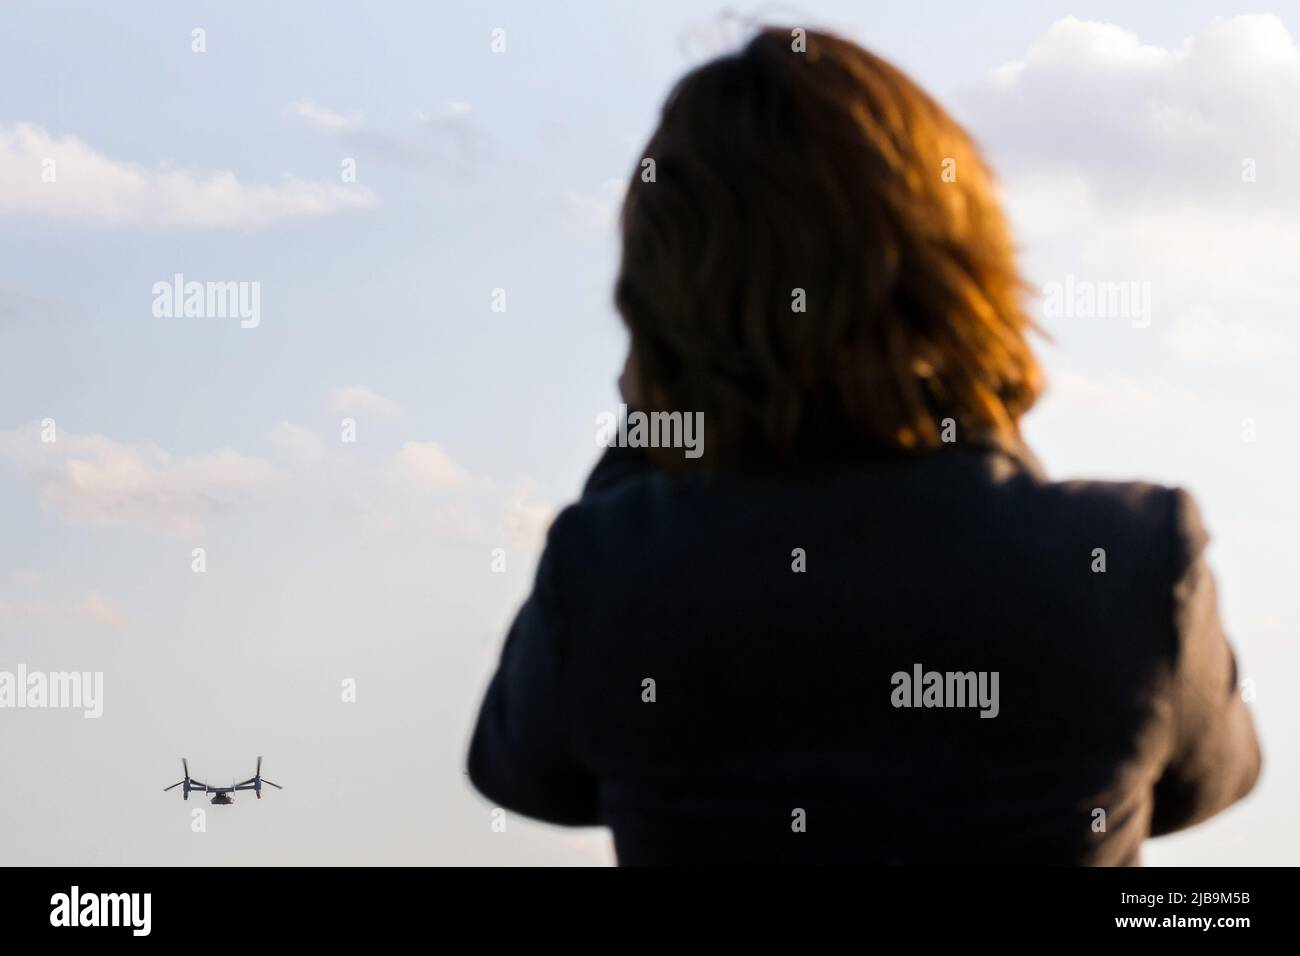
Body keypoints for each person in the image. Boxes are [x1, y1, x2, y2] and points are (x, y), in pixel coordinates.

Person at [467, 27, 1261, 865]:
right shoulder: (1129, 562)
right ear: (964, 264)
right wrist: (975, 396)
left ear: (664, 310)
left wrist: (659, 420)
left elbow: (523, 772)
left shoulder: (616, 577)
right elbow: (1212, 777)